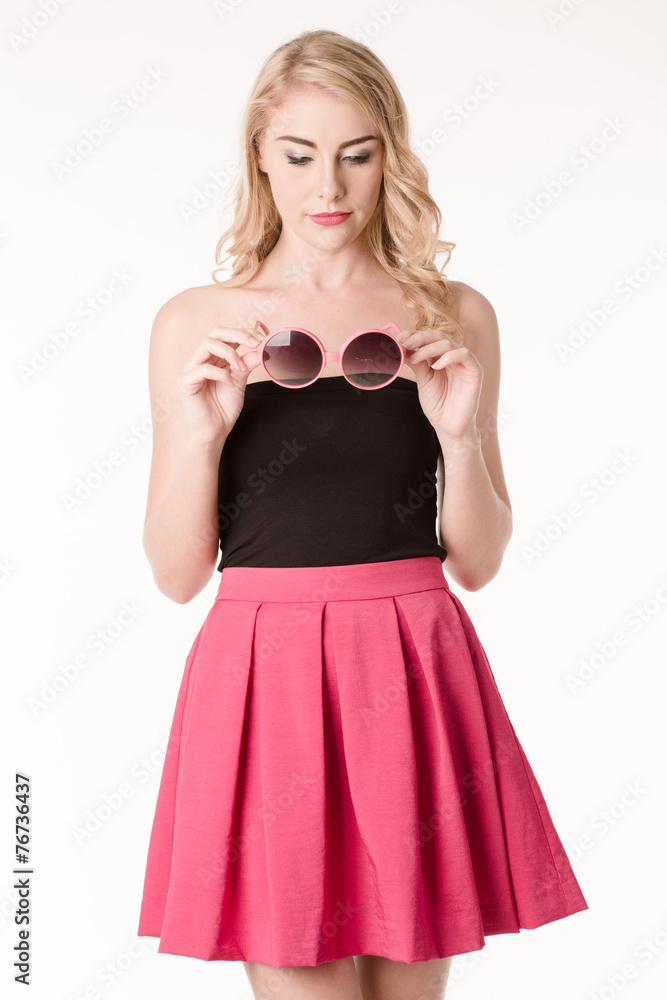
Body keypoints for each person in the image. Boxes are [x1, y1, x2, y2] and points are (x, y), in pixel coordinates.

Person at [136, 28, 589, 1000]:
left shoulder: (452, 313)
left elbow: (479, 561)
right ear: (259, 156)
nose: (328, 186)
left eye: (356, 154)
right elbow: (175, 575)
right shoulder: (196, 321)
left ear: (390, 154)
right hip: (263, 671)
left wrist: (457, 437)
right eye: (300, 155)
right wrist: (204, 435)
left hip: (412, 660)